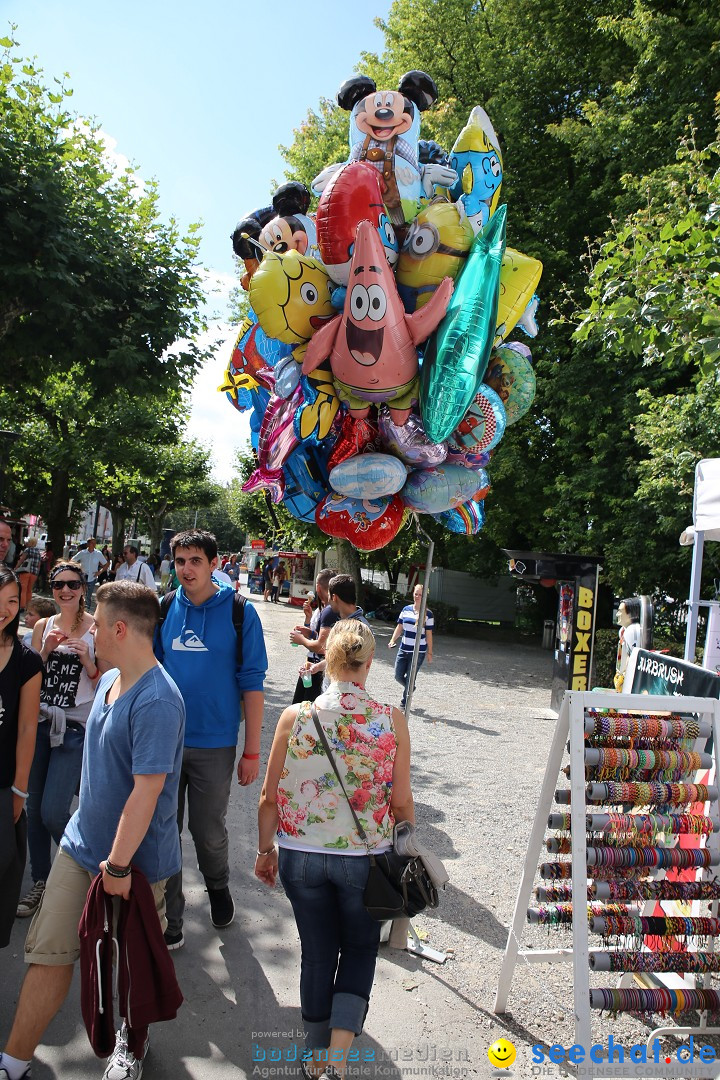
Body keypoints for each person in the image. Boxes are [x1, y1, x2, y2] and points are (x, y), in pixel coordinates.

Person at [0, 580, 186, 1080]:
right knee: (48, 953)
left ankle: (131, 1044)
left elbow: (146, 793)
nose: (91, 630)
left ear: (119, 629)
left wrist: (120, 866)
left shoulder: (158, 701)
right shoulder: (107, 679)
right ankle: (13, 1063)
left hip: (135, 866)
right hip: (80, 851)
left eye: (98, 623)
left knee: (129, 970)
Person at [255, 620, 413, 1080]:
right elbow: (401, 801)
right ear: (368, 663)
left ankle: (313, 1052)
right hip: (366, 861)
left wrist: (266, 851)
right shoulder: (391, 719)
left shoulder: (296, 717)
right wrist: (406, 848)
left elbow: (269, 797)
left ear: (330, 659)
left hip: (301, 857)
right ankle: (337, 1061)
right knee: (361, 947)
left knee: (318, 952)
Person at [154, 529, 268, 949]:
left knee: (207, 831)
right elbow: (147, 671)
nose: (186, 569)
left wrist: (252, 751)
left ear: (214, 564)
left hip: (215, 743)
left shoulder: (240, 612)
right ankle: (173, 915)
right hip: (163, 741)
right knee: (164, 829)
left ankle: (218, 887)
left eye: (195, 560)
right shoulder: (164, 608)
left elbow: (252, 683)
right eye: (180, 560)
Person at [16, 561, 99, 919]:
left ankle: (88, 867)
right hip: (40, 722)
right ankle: (42, 881)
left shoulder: (97, 626)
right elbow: (28, 676)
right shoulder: (41, 626)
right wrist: (44, 650)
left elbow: (107, 679)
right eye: (58, 585)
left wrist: (90, 659)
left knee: (52, 811)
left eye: (72, 584)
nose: (65, 591)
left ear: (83, 587)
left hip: (75, 730)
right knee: (33, 811)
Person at [0, 567, 42, 951]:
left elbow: (28, 728)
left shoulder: (27, 661)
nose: (5, 610)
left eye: (13, 601)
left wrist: (19, 789)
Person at [289, 568, 339, 703]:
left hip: (320, 667)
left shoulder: (330, 611)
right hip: (312, 665)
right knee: (300, 706)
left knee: (307, 710)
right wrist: (308, 628)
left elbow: (321, 646)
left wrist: (301, 640)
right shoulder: (324, 609)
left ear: (318, 587)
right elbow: (320, 637)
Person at [388, 583, 434, 709]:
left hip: (418, 651)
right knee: (398, 676)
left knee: (410, 677)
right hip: (403, 649)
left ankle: (404, 702)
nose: (418, 596)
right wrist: (392, 640)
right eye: (416, 594)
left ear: (425, 596)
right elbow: (399, 626)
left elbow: (429, 634)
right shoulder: (406, 609)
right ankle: (410, 687)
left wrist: (430, 652)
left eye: (420, 595)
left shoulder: (428, 614)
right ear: (413, 594)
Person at [614, 597, 643, 692]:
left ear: (631, 614)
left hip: (629, 681)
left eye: (620, 611)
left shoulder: (633, 631)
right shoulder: (623, 630)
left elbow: (633, 658)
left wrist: (625, 676)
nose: (617, 614)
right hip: (621, 676)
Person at [72, 537, 108, 610]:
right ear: (88, 544)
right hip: (83, 576)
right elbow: (72, 561)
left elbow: (106, 564)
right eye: (92, 543)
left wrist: (99, 572)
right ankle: (78, 607)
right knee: (80, 593)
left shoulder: (98, 553)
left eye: (95, 543)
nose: (94, 544)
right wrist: (77, 570)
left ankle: (87, 609)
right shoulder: (82, 553)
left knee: (89, 594)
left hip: (92, 577)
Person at [15, 538, 41, 613]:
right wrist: (37, 573)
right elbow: (39, 564)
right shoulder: (38, 552)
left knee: (23, 589)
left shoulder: (27, 550)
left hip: (25, 571)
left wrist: (16, 568)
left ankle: (22, 606)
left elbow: (21, 560)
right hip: (34, 573)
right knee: (29, 589)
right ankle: (28, 606)